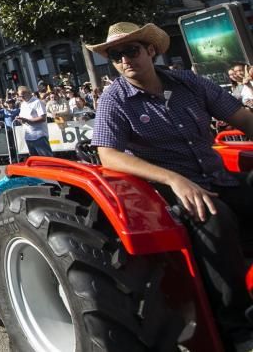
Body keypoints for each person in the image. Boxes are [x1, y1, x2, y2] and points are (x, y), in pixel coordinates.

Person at [88, 21, 253, 346]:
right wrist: (174, 179)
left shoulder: (189, 82)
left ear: (151, 50)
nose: (125, 61)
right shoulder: (113, 100)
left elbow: (243, 119)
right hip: (165, 191)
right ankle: (238, 330)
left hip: (215, 176)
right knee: (214, 219)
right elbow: (108, 154)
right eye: (117, 55)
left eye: (131, 51)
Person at [16, 86, 52, 156]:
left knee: (47, 160)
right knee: (35, 161)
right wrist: (20, 120)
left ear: (28, 93)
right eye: (20, 96)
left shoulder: (37, 102)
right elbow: (23, 119)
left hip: (39, 136)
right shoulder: (23, 104)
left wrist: (27, 120)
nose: (21, 98)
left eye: (22, 96)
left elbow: (43, 118)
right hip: (29, 136)